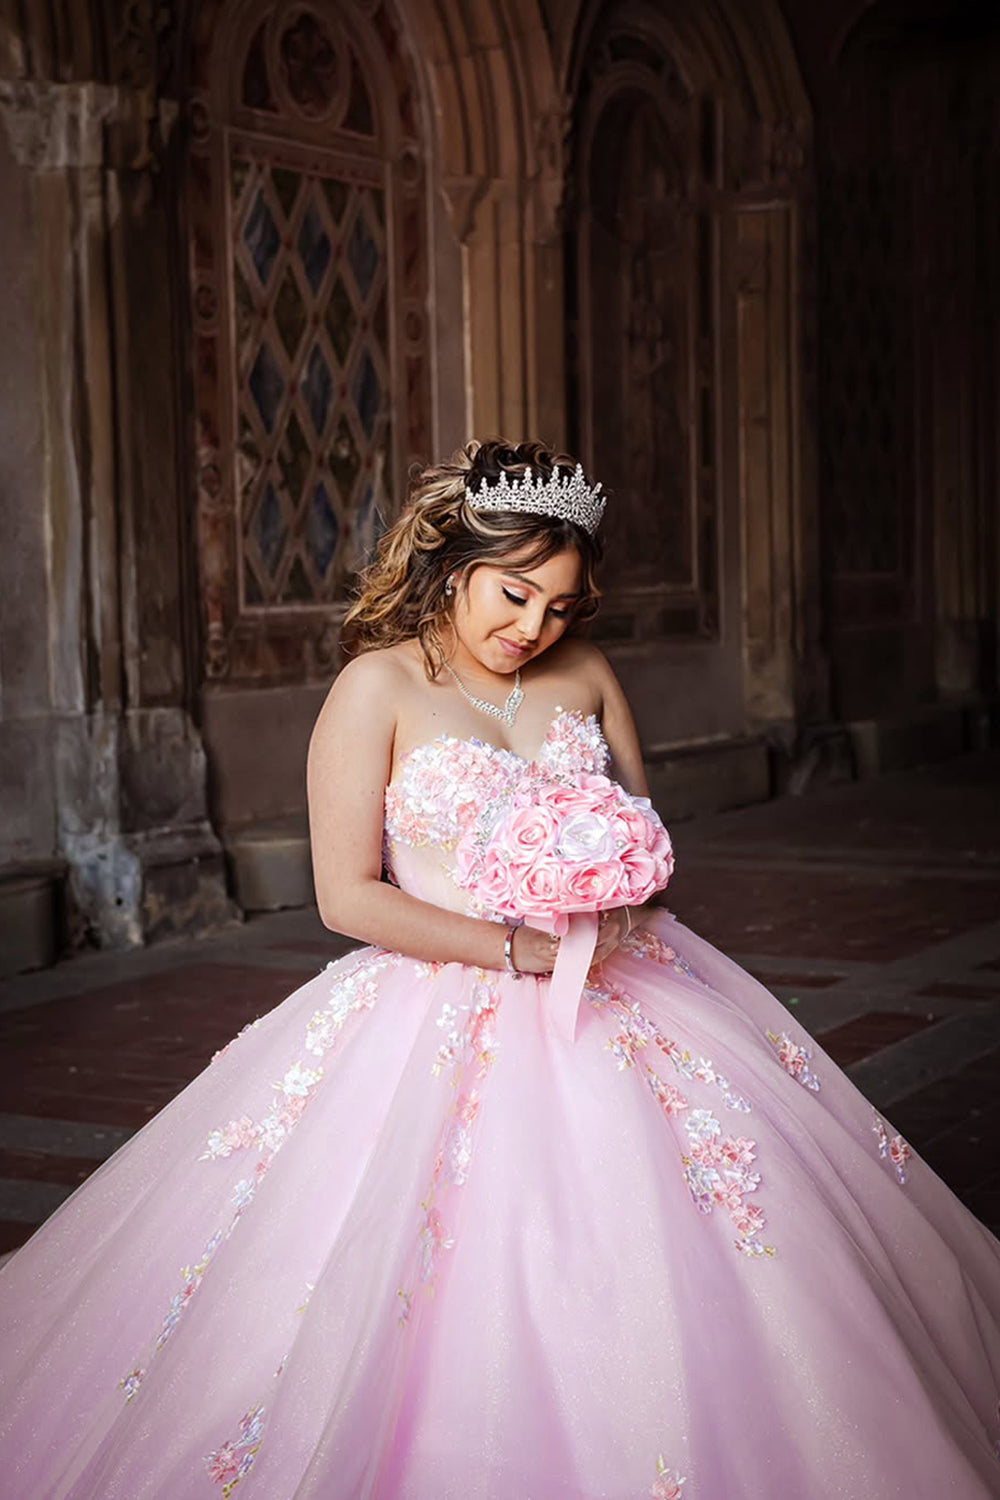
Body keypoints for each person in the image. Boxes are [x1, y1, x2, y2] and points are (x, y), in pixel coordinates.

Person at [1, 439, 999, 1499]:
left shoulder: (586, 676)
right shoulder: (375, 686)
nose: (533, 629)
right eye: (514, 594)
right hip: (438, 991)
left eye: (561, 608)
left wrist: (611, 899)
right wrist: (517, 946)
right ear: (450, 564)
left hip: (621, 985)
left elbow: (645, 847)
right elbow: (348, 897)